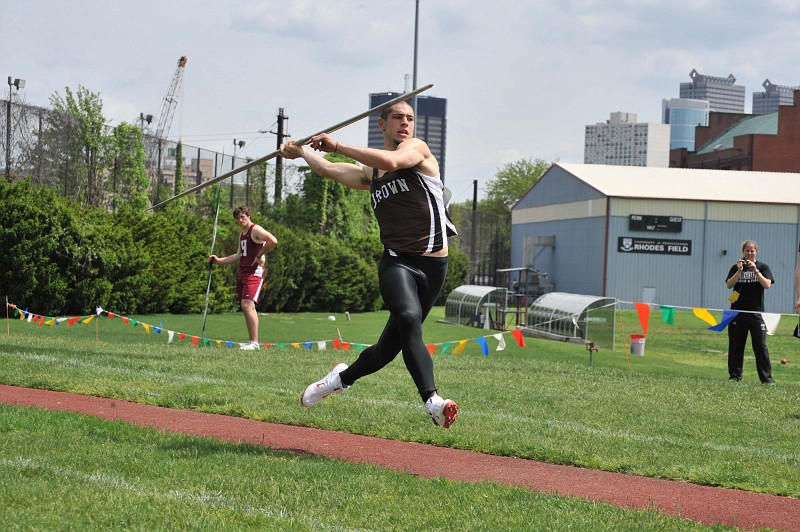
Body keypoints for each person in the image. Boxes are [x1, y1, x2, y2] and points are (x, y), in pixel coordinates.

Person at [280, 100, 459, 428]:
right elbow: (329, 169)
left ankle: (338, 379)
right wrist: (302, 152)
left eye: (409, 118)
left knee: (386, 351)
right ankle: (433, 401)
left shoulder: (416, 150)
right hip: (397, 262)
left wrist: (337, 145)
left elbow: (392, 160)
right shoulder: (371, 174)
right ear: (382, 125)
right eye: (397, 118)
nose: (404, 123)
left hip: (434, 266)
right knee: (408, 318)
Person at [208, 206, 278, 350]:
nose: (240, 220)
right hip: (243, 271)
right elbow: (238, 255)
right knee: (246, 306)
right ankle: (252, 341)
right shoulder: (242, 234)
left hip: (254, 272)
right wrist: (218, 260)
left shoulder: (255, 229)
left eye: (243, 217)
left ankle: (254, 343)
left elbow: (273, 241)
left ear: (249, 216)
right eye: (238, 218)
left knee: (247, 305)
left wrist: (259, 256)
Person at [725, 240, 775, 384]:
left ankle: (767, 379)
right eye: (747, 251)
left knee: (760, 346)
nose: (749, 253)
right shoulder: (736, 267)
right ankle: (734, 377)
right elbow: (729, 285)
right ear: (743, 252)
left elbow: (767, 285)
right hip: (737, 313)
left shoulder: (763, 267)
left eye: (752, 251)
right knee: (736, 346)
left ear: (756, 252)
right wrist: (739, 271)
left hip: (756, 313)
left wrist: (755, 271)